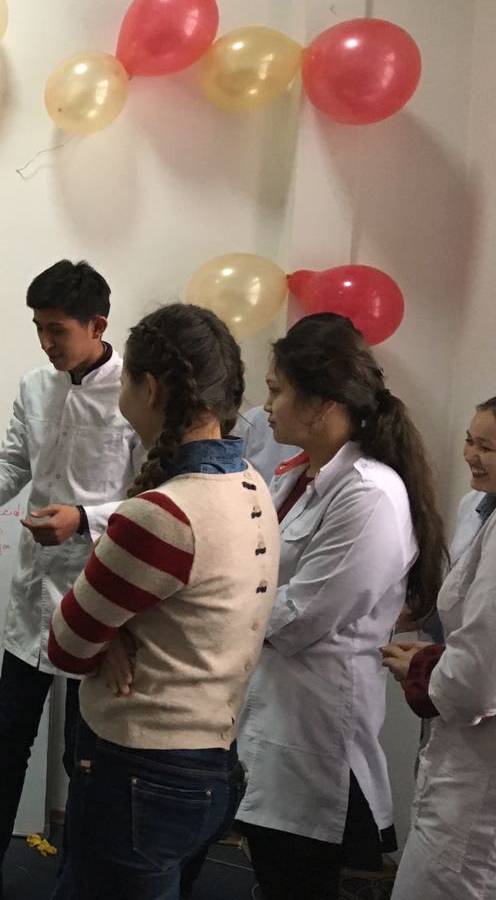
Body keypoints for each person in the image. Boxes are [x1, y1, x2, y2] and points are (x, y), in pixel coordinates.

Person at [45, 303, 279, 900]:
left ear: (149, 389)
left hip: (140, 774)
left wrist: (105, 632)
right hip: (212, 767)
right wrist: (113, 632)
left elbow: (66, 645)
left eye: (126, 380)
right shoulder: (253, 487)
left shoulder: (161, 515)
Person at [0, 260, 144, 900]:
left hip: (99, 594)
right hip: (32, 595)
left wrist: (84, 520)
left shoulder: (135, 394)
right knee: (8, 738)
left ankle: (78, 874)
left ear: (98, 325)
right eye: (38, 328)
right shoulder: (35, 386)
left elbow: (152, 498)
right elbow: (12, 461)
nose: (46, 342)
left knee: (85, 753)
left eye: (57, 329)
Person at [234, 313, 447, 900]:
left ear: (324, 402)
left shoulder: (369, 494)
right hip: (271, 714)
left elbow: (297, 617)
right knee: (273, 875)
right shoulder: (298, 476)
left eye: (276, 390)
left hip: (314, 731)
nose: (266, 406)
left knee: (297, 879)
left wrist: (215, 610)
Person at [381, 396, 496, 899]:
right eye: (470, 440)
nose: (471, 454)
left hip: (476, 772)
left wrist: (424, 667)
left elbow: (475, 680)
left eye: (487, 447)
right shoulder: (481, 507)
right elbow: (467, 607)